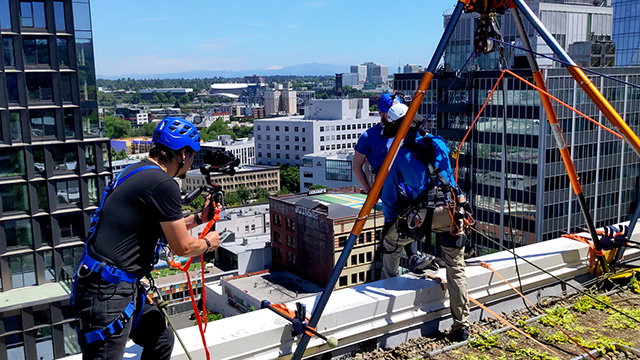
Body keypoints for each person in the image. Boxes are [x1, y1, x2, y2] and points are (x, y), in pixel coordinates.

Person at [71, 117, 220, 360]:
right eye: (191, 156)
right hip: (107, 292)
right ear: (182, 153)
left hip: (112, 284)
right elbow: (182, 246)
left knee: (160, 339)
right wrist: (208, 243)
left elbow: (161, 228)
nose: (191, 162)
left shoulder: (138, 170)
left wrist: (198, 219)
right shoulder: (163, 183)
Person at [379, 103, 470, 342]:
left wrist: (393, 226)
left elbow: (388, 198)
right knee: (456, 267)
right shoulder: (438, 143)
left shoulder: (397, 156)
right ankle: (461, 326)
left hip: (422, 216)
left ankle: (387, 294)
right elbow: (449, 177)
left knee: (390, 245)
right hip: (451, 210)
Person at [353, 94, 434, 273]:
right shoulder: (370, 136)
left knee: (411, 211)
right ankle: (412, 256)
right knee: (402, 212)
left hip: (405, 177)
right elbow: (357, 165)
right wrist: (370, 191)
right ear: (382, 113)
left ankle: (414, 255)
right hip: (387, 180)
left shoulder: (402, 130)